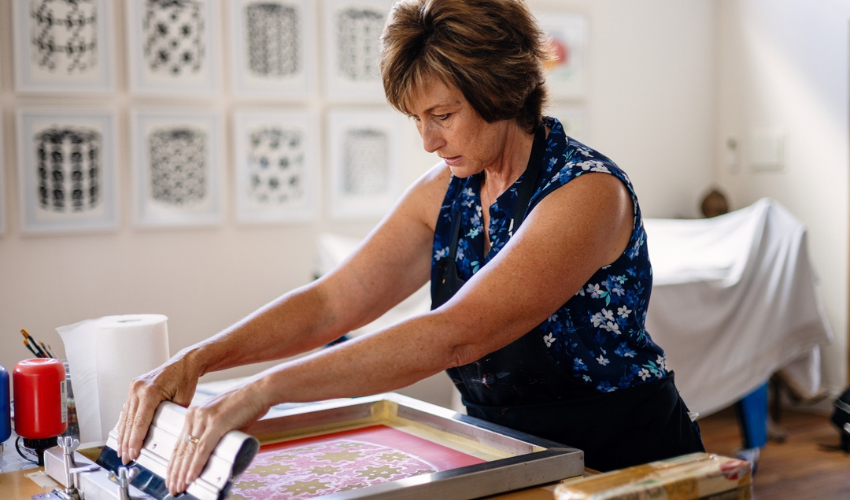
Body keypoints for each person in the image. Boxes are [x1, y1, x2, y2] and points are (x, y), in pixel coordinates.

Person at [117, 0, 704, 495]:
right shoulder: (445, 191)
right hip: (508, 450)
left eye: (442, 115)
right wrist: (198, 360)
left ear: (501, 91)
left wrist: (265, 391)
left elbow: (457, 332)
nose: (427, 140)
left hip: (624, 457)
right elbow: (332, 303)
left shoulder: (586, 193)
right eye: (415, 119)